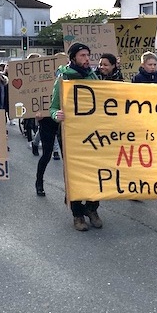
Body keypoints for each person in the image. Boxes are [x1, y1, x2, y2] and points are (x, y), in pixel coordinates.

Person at [48, 43, 102, 231]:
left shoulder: (93, 76)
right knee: (75, 174)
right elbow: (53, 107)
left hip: (93, 134)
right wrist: (57, 116)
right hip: (71, 135)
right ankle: (78, 215)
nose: (87, 58)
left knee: (97, 172)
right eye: (82, 55)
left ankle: (92, 208)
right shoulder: (63, 79)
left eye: (88, 55)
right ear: (73, 58)